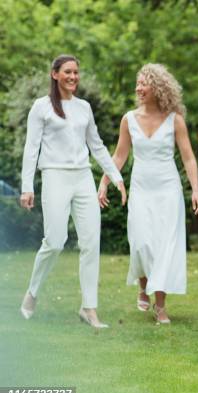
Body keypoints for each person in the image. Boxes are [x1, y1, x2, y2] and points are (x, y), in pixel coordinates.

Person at [19, 54, 126, 328]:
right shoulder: (41, 107)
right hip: (54, 176)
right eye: (67, 72)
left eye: (76, 72)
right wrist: (27, 187)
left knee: (91, 242)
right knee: (55, 241)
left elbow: (97, 146)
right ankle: (32, 293)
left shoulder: (84, 108)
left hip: (83, 178)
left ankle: (89, 308)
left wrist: (115, 176)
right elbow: (31, 150)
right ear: (55, 74)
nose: (73, 77)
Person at [98, 63, 198, 324]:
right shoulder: (129, 119)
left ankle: (161, 306)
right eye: (138, 83)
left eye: (143, 83)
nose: (138, 88)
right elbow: (119, 156)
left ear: (158, 87)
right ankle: (142, 284)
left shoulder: (175, 120)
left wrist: (196, 191)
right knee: (142, 242)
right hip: (142, 190)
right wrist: (103, 183)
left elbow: (188, 158)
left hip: (168, 190)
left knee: (165, 246)